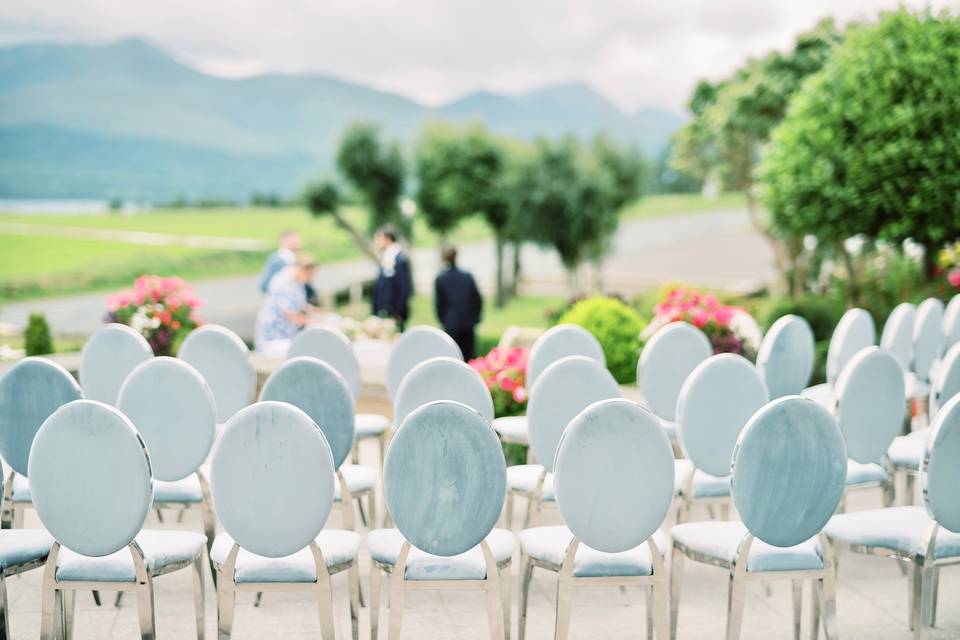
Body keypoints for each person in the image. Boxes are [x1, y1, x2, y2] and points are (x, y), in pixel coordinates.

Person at [254, 253, 319, 356]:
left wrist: (315, 312)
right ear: (302, 269)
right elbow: (290, 314)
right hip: (273, 337)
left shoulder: (298, 280)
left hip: (286, 334)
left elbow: (298, 303)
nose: (310, 279)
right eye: (310, 275)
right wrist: (313, 323)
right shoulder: (283, 283)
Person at [434, 246, 483, 360]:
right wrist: (475, 318)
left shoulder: (441, 278)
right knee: (469, 358)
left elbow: (439, 305)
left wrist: (444, 320)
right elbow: (477, 300)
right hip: (468, 323)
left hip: (450, 324)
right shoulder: (467, 276)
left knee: (453, 357)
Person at [371, 224, 413, 331]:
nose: (376, 242)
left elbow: (404, 288)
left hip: (394, 314)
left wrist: (397, 313)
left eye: (379, 238)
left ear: (387, 239)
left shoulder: (400, 260)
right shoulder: (386, 257)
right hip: (383, 313)